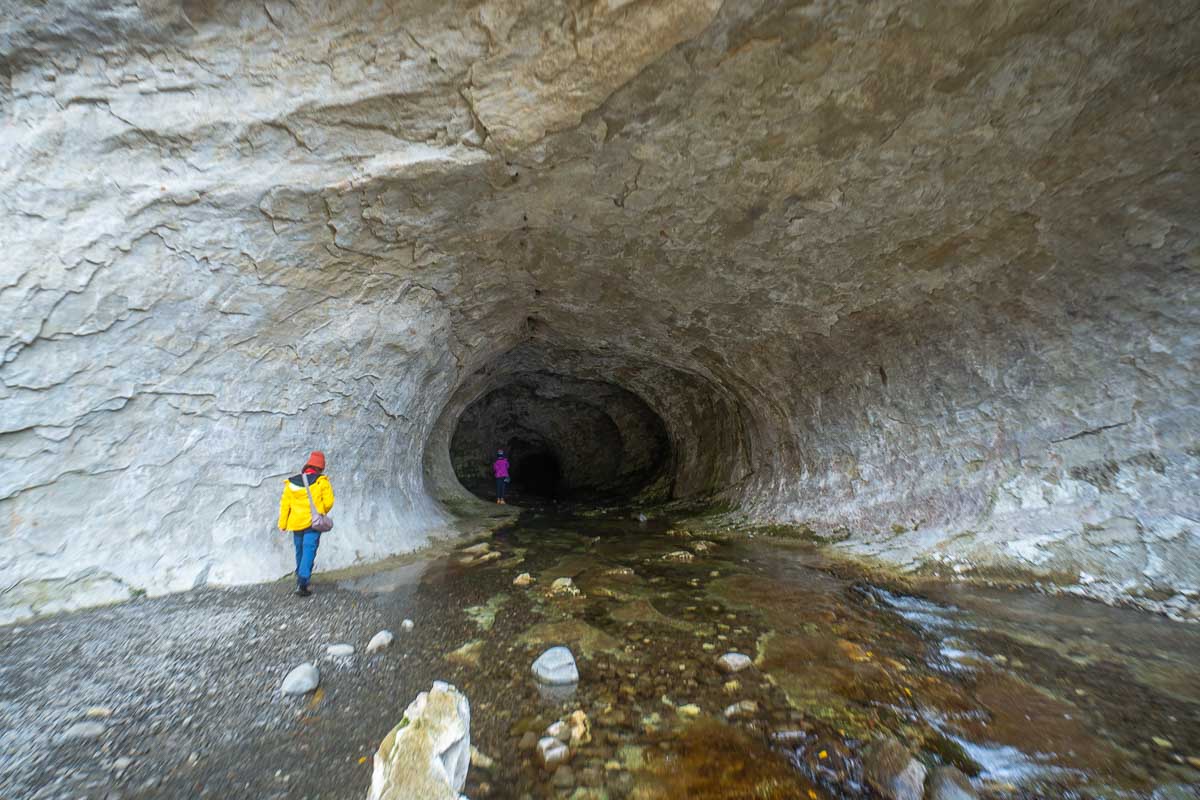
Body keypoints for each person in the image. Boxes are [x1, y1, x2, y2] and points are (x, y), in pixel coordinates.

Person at [278, 450, 334, 597]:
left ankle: (300, 577)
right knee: (309, 549)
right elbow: (329, 503)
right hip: (312, 523)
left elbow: (285, 505)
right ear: (320, 467)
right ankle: (303, 582)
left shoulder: (291, 483)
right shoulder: (322, 481)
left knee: (300, 550)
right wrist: (321, 510)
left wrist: (283, 523)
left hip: (296, 523)